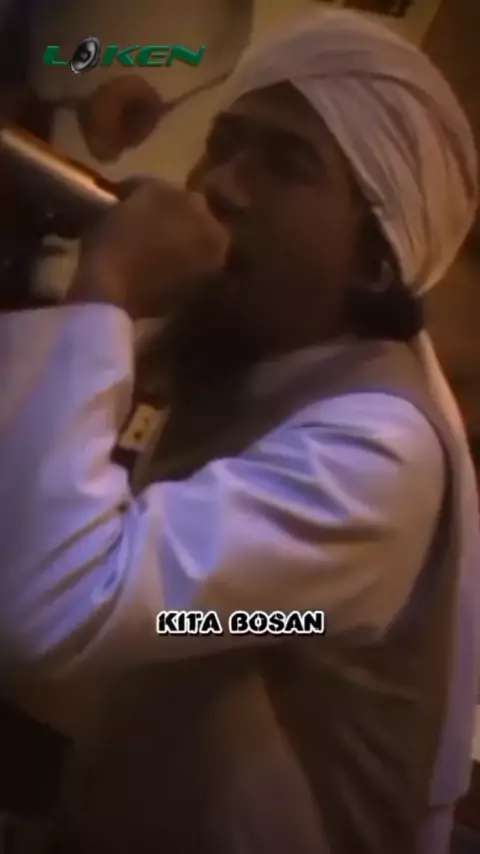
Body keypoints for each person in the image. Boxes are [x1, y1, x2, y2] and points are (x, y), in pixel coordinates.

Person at [0, 8, 479, 854]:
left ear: (377, 258)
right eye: (224, 144)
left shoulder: (378, 451)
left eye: (286, 164)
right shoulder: (241, 337)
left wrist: (109, 282)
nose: (222, 185)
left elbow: (57, 606)